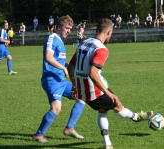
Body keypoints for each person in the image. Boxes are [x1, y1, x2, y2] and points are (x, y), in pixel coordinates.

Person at [67, 18, 154, 149]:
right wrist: (107, 92)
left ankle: (107, 144)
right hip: (95, 91)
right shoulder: (102, 49)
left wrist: (75, 85)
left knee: (102, 111)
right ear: (108, 32)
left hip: (83, 91)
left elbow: (70, 66)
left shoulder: (83, 43)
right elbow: (93, 73)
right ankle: (137, 117)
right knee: (118, 106)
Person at [32, 15, 85, 143]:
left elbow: (58, 60)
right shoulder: (52, 38)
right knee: (56, 108)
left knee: (81, 97)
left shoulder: (60, 41)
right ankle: (38, 136)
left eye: (70, 29)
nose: (69, 31)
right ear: (59, 27)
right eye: (67, 28)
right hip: (51, 79)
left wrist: (68, 66)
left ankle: (69, 128)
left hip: (60, 80)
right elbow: (48, 57)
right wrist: (63, 68)